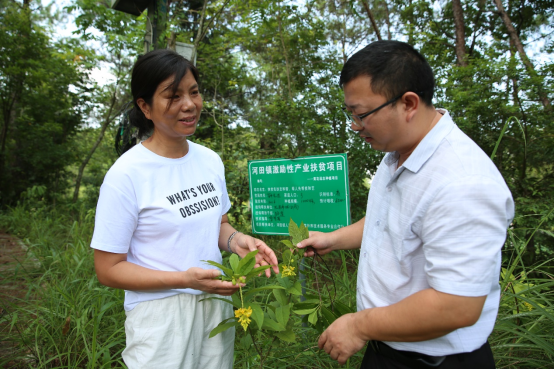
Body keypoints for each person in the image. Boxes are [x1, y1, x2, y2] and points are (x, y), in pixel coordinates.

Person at [297, 41, 514, 369]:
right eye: (350, 114)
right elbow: (386, 221)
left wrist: (358, 325)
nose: (355, 126)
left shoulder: (463, 182)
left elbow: (457, 305)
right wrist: (334, 239)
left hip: (435, 361)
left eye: (361, 114)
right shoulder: (396, 154)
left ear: (408, 103)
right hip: (386, 347)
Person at [91, 49, 279, 369]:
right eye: (172, 96)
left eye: (193, 92)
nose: (189, 104)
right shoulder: (127, 175)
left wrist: (239, 242)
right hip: (160, 314)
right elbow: (108, 269)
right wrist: (184, 279)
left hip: (214, 301)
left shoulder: (209, 160)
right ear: (144, 106)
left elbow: (219, 226)